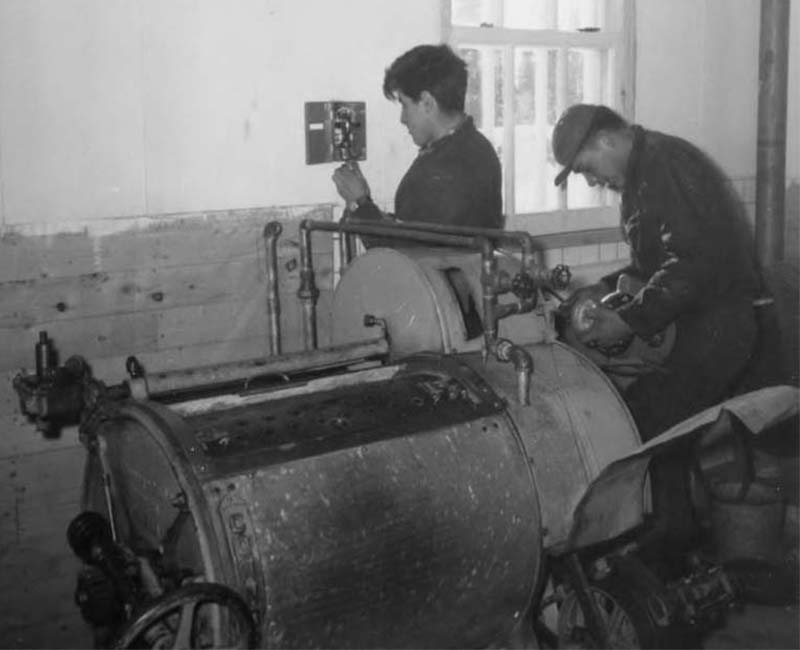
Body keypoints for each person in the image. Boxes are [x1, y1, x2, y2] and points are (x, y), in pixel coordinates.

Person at [552, 104, 761, 555]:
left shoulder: (666, 165)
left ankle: (668, 550)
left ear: (606, 141)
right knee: (657, 432)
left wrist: (629, 319)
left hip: (718, 327)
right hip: (699, 323)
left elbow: (691, 263)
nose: (592, 182)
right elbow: (653, 266)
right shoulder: (647, 170)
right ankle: (676, 542)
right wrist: (598, 292)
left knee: (641, 426)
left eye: (587, 169)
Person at [331, 44, 503, 242]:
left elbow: (404, 257)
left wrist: (360, 204)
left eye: (404, 105)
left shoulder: (440, 169)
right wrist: (365, 203)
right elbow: (421, 229)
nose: (402, 119)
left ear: (427, 103)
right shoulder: (478, 148)